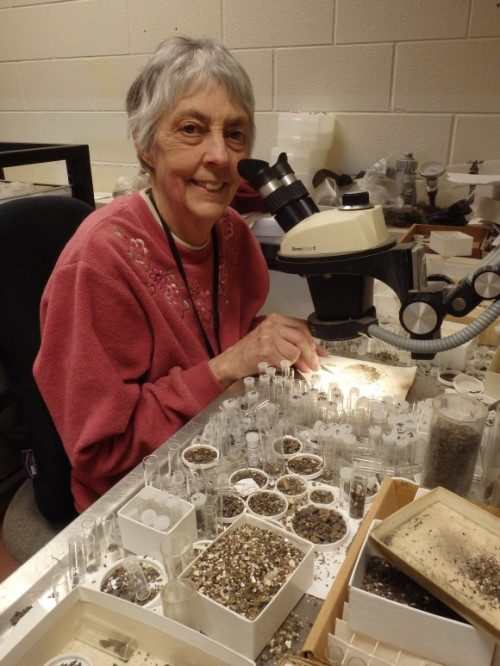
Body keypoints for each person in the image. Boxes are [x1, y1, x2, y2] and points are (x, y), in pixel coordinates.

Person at [34, 36, 323, 514]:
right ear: (147, 145)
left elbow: (207, 334)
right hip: (140, 500)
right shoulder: (101, 262)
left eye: (235, 134)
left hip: (223, 452)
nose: (219, 156)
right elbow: (103, 450)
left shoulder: (231, 231)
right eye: (191, 129)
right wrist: (230, 364)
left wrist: (269, 341)